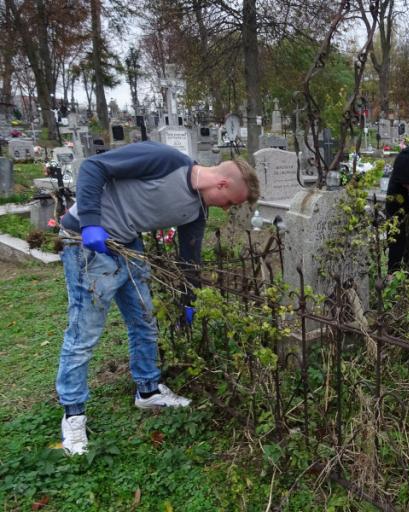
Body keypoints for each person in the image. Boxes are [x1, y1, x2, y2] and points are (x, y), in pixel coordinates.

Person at [56, 141, 260, 455]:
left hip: (128, 246)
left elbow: (190, 258)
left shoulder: (197, 210)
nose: (227, 209)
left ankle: (148, 390)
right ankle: (73, 414)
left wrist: (189, 299)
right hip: (89, 246)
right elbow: (93, 169)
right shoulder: (165, 161)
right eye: (230, 202)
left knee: (144, 322)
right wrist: (91, 223)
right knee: (84, 334)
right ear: (222, 183)